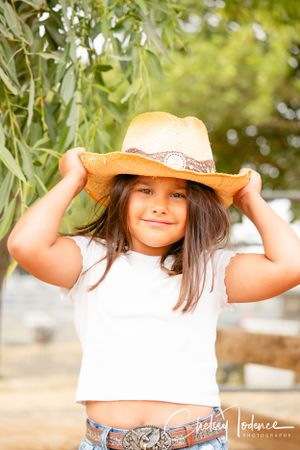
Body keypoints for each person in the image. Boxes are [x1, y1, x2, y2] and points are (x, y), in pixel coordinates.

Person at [7, 112, 300, 450]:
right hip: (105, 443)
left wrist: (250, 200)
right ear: (120, 197)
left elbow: (291, 265)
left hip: (194, 442)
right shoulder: (91, 259)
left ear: (198, 208)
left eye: (178, 195)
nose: (159, 206)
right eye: (144, 189)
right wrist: (74, 179)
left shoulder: (208, 269)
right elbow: (24, 244)